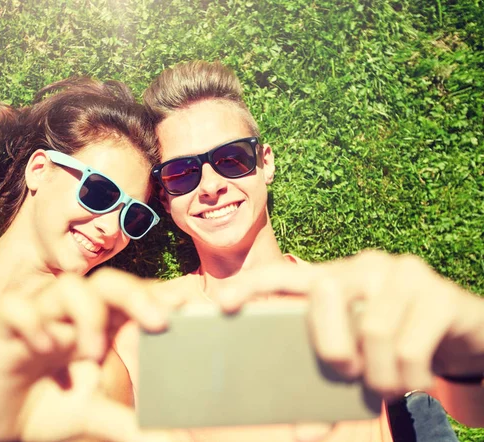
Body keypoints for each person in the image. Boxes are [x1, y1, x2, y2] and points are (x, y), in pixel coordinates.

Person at [114, 60, 484, 441]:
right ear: (164, 195)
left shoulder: (355, 299)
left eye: (231, 159)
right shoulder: (141, 325)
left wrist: (469, 334)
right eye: (181, 173)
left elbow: (473, 408)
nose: (210, 185)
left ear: (265, 162)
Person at [0, 76, 181, 442]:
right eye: (100, 192)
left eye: (132, 215)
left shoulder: (100, 369)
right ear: (39, 169)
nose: (110, 228)